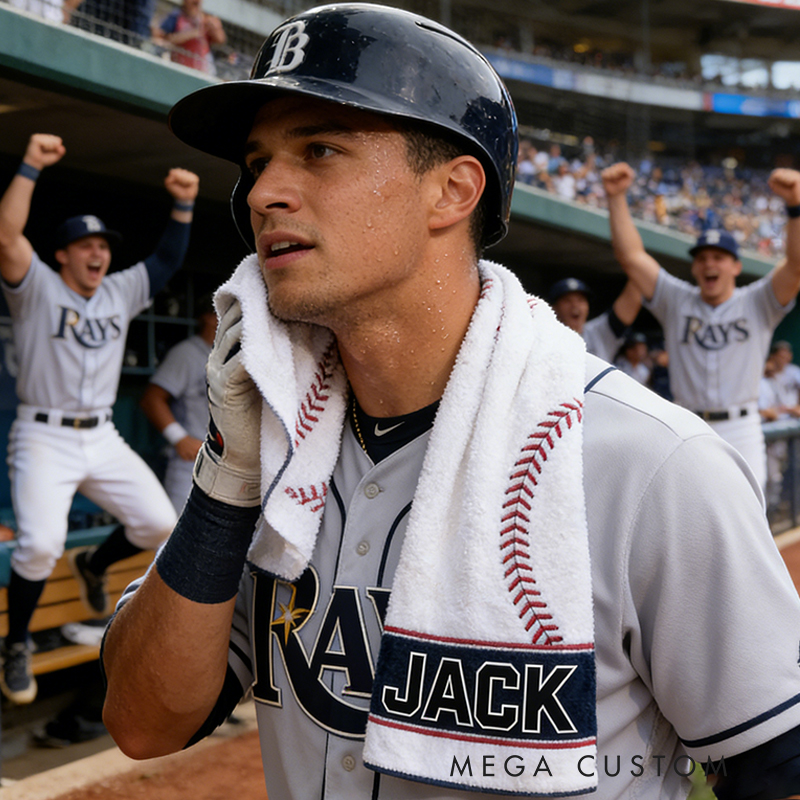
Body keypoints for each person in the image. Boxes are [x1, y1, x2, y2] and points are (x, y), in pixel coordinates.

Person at [102, 5, 800, 799]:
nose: (264, 192)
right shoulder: (272, 447)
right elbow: (143, 722)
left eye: (319, 150)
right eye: (258, 162)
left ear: (453, 191)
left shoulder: (650, 465)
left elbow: (777, 770)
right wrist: (227, 481)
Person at [0, 132, 198, 704]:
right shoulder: (35, 287)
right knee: (38, 545)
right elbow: (8, 234)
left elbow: (164, 261)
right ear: (62, 254)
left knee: (160, 525)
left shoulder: (119, 290)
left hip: (101, 435)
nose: (97, 253)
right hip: (43, 434)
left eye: (103, 246)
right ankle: (15, 644)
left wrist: (183, 205)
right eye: (85, 245)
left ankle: (96, 561)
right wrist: (30, 165)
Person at [602, 160, 800, 490]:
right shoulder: (676, 299)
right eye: (702, 257)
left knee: (745, 534)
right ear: (694, 267)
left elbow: (795, 267)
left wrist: (795, 207)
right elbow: (632, 258)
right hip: (687, 424)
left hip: (741, 427)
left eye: (718, 257)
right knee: (686, 531)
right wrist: (616, 198)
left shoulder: (758, 301)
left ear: (736, 266)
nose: (709, 263)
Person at [139, 294, 218, 513]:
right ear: (208, 317)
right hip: (190, 464)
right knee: (176, 537)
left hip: (224, 464)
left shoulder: (230, 354)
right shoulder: (187, 353)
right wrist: (179, 438)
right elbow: (151, 398)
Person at [548, 276, 641, 362]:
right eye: (567, 300)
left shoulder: (598, 332)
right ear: (554, 308)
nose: (575, 305)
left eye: (580, 300)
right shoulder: (546, 338)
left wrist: (638, 271)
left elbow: (629, 305)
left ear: (587, 307)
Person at [155, 0, 226, 75]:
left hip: (202, 71)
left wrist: (217, 28)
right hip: (179, 68)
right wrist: (193, 33)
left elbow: (220, 40)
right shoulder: (176, 17)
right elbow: (162, 39)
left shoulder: (205, 20)